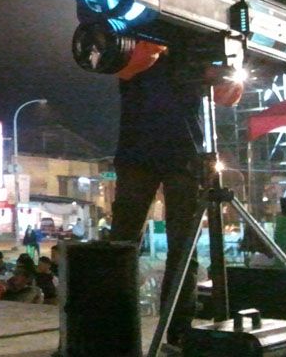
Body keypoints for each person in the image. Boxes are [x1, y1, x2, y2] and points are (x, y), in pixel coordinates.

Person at [109, 39, 243, 349]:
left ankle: (179, 331)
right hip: (139, 155)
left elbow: (229, 96)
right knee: (122, 245)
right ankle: (116, 327)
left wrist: (224, 71)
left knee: (182, 249)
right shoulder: (134, 39)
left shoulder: (196, 50)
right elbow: (129, 66)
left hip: (182, 157)